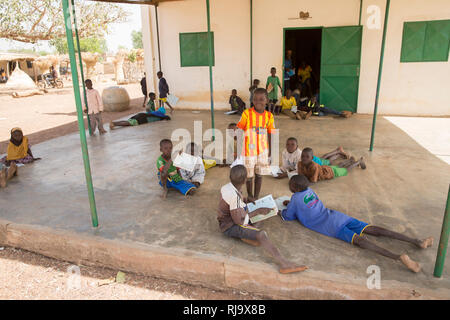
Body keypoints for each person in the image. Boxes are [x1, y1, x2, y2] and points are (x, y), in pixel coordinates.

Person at [280, 174, 434, 273]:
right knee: (372, 229)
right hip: (337, 216)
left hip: (330, 226)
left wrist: (280, 211)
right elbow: (306, 205)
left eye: (291, 185)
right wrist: (291, 202)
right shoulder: (309, 192)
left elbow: (288, 216)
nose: (289, 186)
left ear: (296, 188)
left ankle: (398, 257)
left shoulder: (295, 199)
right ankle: (417, 241)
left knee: (360, 241)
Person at [218, 165, 308, 274]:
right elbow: (240, 221)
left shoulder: (228, 187)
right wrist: (257, 211)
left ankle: (249, 236)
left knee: (263, 214)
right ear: (244, 180)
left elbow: (236, 204)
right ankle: (284, 263)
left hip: (234, 215)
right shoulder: (234, 198)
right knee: (261, 234)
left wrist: (247, 199)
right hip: (229, 226)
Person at [236, 88, 275, 202]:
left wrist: (270, 152)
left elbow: (270, 133)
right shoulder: (247, 113)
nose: (258, 101)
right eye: (255, 99)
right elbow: (239, 130)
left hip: (263, 151)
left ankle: (256, 196)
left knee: (259, 175)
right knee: (249, 176)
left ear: (267, 100)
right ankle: (250, 195)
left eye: (261, 99)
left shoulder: (269, 116)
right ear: (252, 100)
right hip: (248, 152)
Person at [276, 138, 349, 179]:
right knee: (324, 157)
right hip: (308, 158)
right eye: (287, 144)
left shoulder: (299, 155)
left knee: (327, 161)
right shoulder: (284, 152)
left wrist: (285, 174)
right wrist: (281, 170)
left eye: (293, 144)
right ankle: (338, 152)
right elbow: (285, 165)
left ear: (297, 146)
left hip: (313, 161)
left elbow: (298, 171)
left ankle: (338, 152)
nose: (290, 146)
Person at [297, 147, 365, 183]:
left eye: (307, 157)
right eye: (302, 156)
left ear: (312, 158)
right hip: (326, 168)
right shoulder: (299, 164)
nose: (304, 158)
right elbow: (300, 175)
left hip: (330, 173)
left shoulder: (314, 166)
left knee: (345, 170)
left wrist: (303, 183)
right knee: (338, 166)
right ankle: (350, 160)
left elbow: (313, 181)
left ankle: (359, 161)